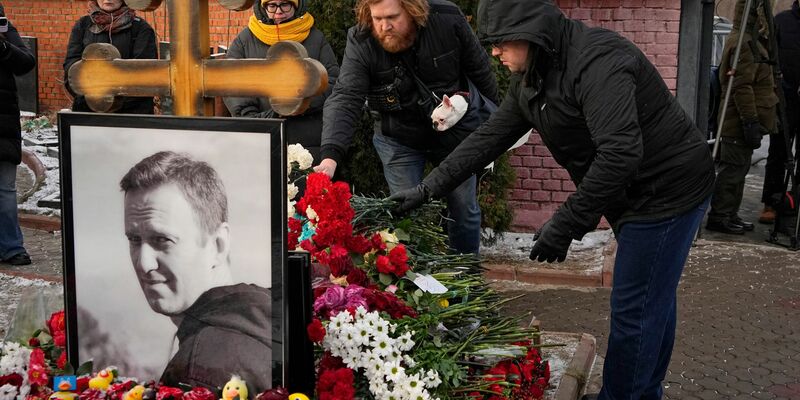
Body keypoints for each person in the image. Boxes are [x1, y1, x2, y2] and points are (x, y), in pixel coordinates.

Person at [389, 0, 715, 398]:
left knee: (636, 309)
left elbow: (620, 154)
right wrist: (428, 188)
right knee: (650, 299)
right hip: (632, 193)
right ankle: (642, 393)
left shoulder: (598, 63)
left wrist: (566, 224)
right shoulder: (534, 76)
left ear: (532, 32)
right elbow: (488, 138)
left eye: (502, 42)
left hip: (667, 191)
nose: (494, 52)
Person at [314, 0, 498, 255]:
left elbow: (481, 72)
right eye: (377, 18)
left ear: (413, 10)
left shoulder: (446, 18)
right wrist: (330, 156)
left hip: (454, 136)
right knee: (405, 214)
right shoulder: (362, 38)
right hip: (398, 138)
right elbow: (346, 96)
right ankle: (416, 286)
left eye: (392, 17)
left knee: (464, 210)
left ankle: (466, 281)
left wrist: (495, 130)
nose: (384, 26)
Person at [120, 151, 271, 393]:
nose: (144, 263)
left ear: (218, 244)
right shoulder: (266, 314)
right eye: (134, 239)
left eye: (162, 239)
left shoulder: (198, 373)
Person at [223, 0, 339, 163]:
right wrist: (258, 120)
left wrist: (301, 103)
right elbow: (231, 83)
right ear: (263, 7)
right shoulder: (245, 39)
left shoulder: (315, 38)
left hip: (309, 139)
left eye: (285, 4)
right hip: (261, 139)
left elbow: (332, 81)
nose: (278, 11)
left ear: (296, 6)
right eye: (272, 5)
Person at [707, 0, 778, 234]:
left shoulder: (750, 41)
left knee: (738, 171)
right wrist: (750, 120)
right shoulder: (744, 44)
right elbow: (740, 85)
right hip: (737, 122)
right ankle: (720, 215)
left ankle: (729, 213)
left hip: (740, 120)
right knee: (732, 172)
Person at [63, 0, 157, 114]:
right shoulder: (83, 25)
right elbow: (71, 67)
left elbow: (144, 73)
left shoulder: (141, 28)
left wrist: (115, 102)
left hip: (132, 113)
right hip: (88, 111)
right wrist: (90, 97)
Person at [0, 3, 35, 266]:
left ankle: (12, 247)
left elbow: (26, 62)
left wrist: (2, 47)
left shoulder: (4, 28)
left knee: (5, 189)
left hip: (2, 123)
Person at [760, 0, 800, 224]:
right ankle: (771, 202)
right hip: (785, 99)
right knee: (778, 152)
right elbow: (769, 59)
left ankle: (796, 202)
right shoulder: (782, 21)